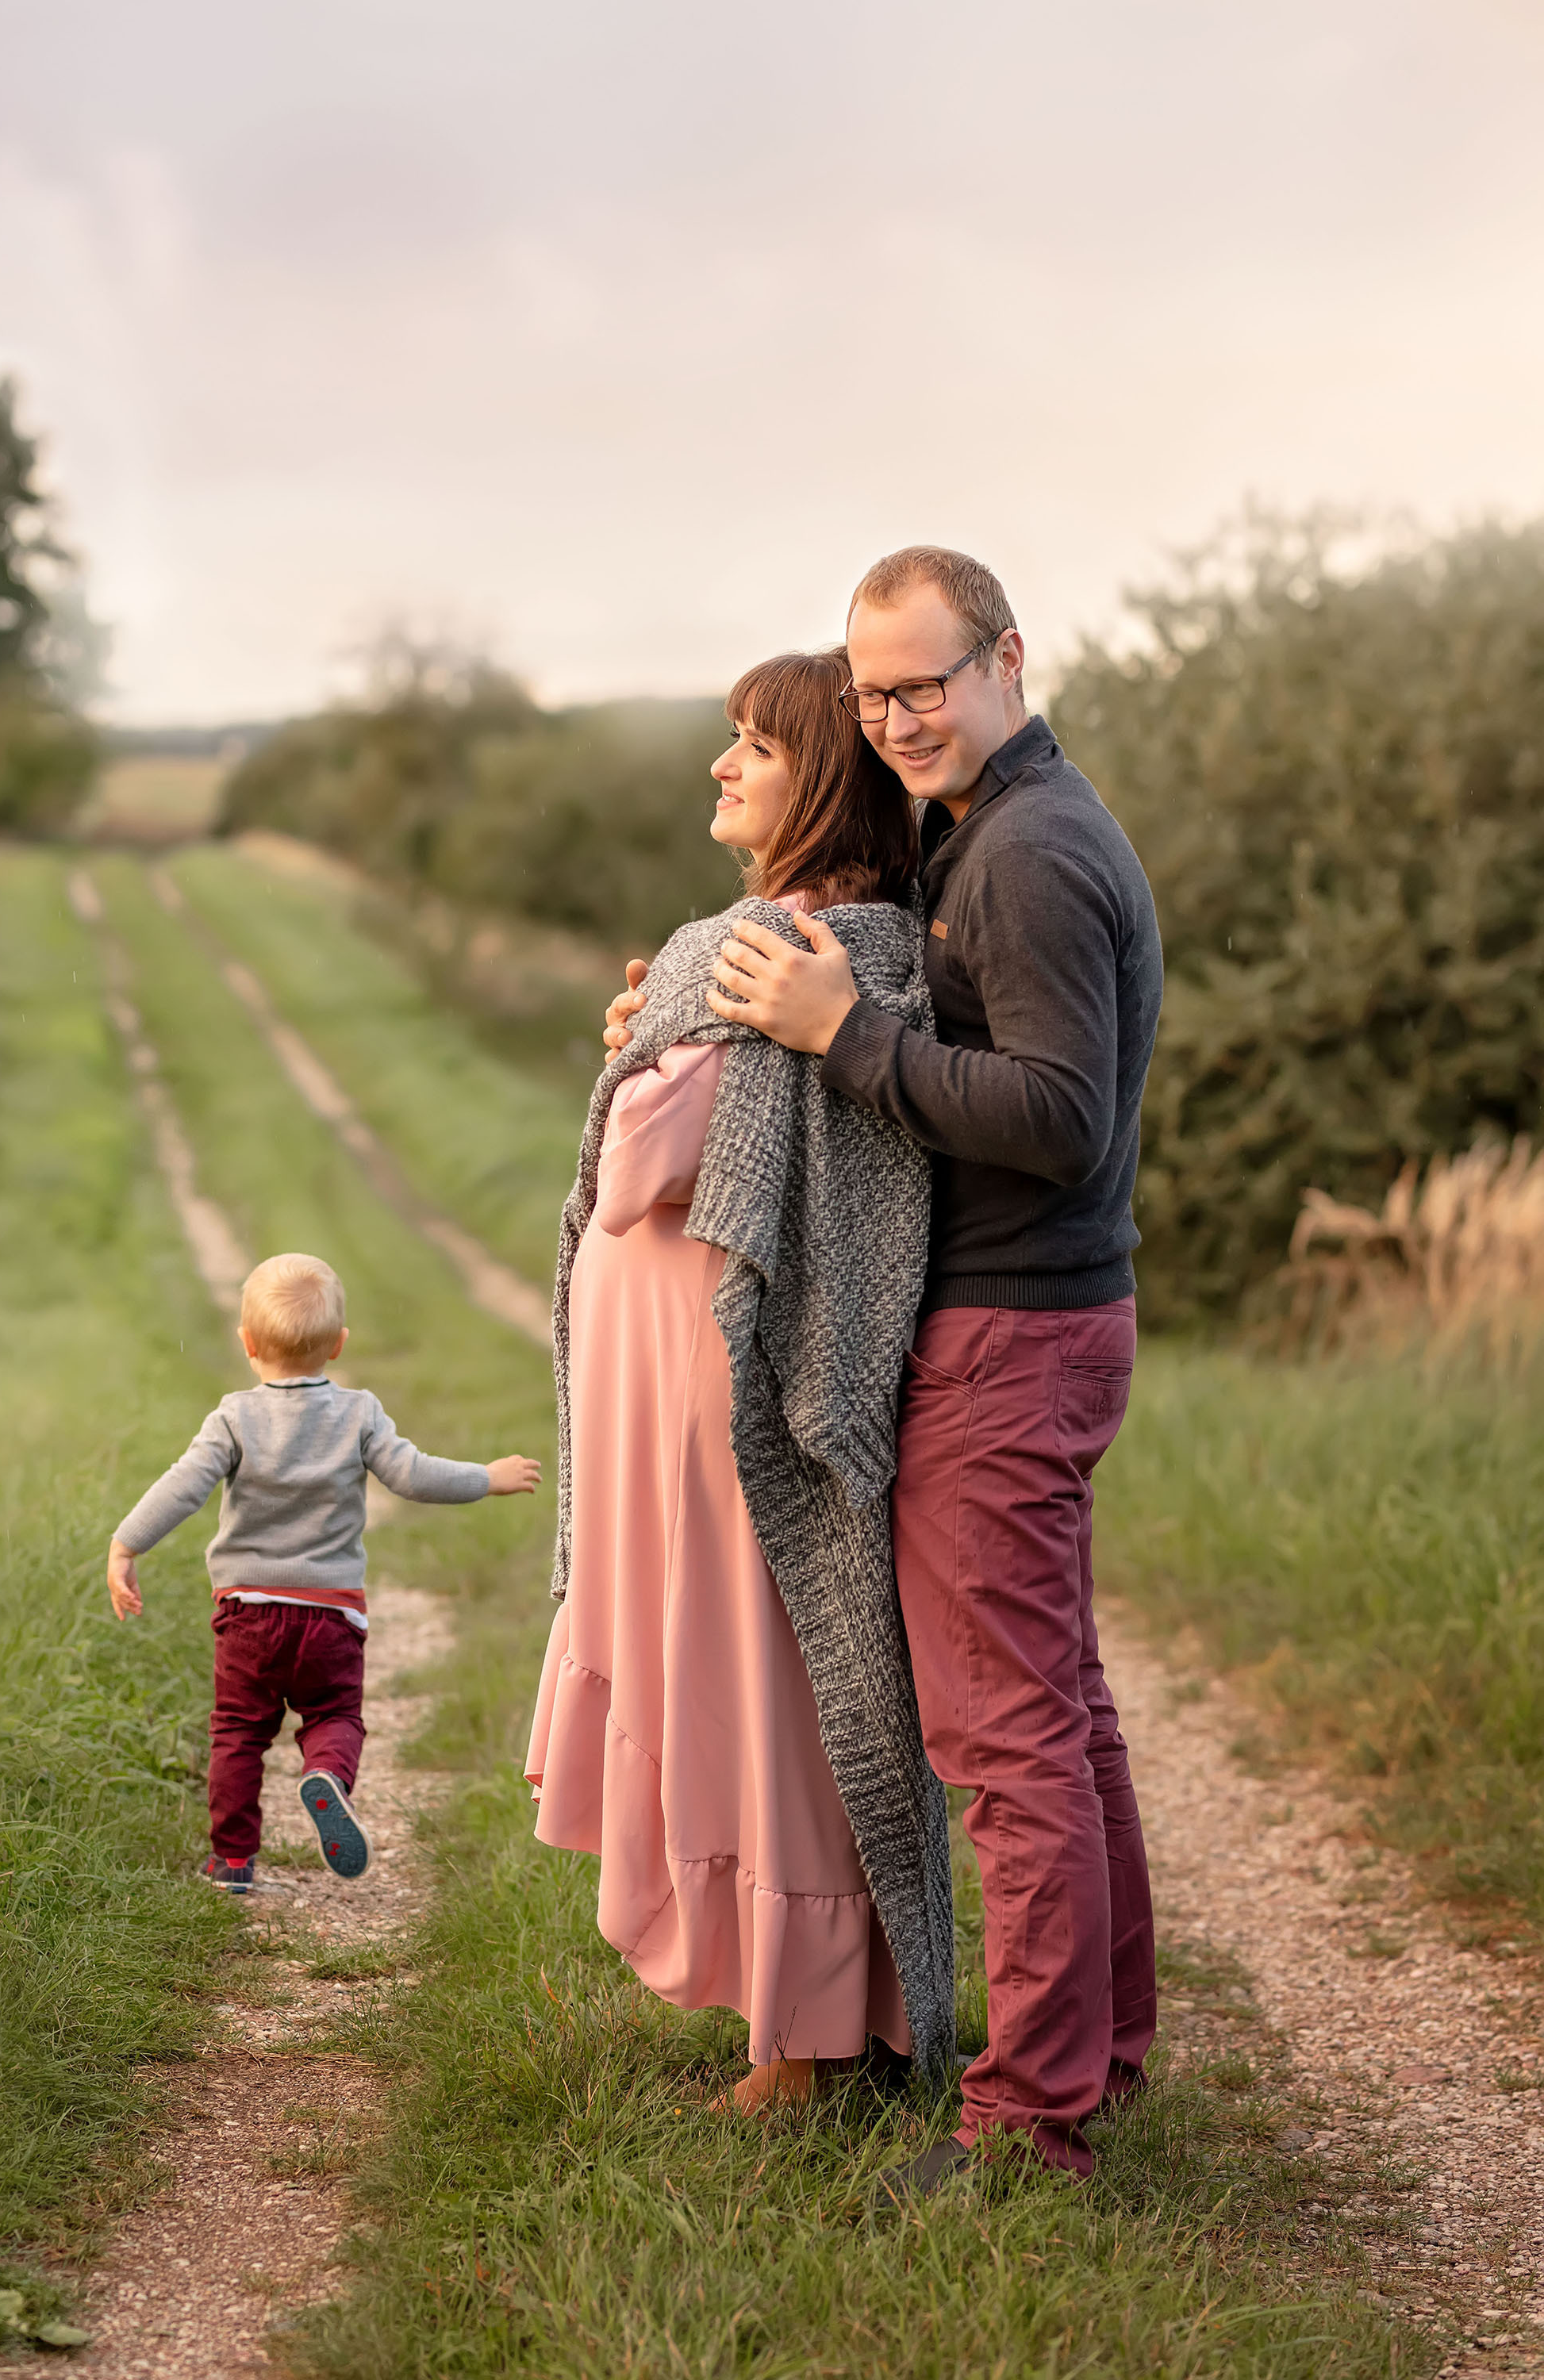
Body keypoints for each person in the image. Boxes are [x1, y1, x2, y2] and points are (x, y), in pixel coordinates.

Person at [605, 549, 1162, 2186]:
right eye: (874, 696)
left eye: (929, 682)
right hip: (1031, 1322)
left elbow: (1059, 1122)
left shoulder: (1031, 856)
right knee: (1060, 1719)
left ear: (1005, 659)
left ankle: (1027, 2120)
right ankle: (1099, 2060)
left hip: (1010, 1329)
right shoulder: (970, 832)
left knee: (1005, 1742)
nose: (904, 717)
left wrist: (838, 1039)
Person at [527, 648, 957, 2117]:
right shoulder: (826, 938)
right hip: (692, 1365)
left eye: (751, 747)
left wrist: (649, 1050)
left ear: (818, 775)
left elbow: (650, 1157)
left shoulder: (778, 941)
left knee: (753, 1680)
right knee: (740, 1673)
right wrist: (657, 1035)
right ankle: (808, 2010)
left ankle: (809, 2034)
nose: (721, 768)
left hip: (728, 1382)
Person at [107, 1251, 540, 1892]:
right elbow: (413, 1476)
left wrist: (126, 1544)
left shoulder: (233, 1416)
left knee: (237, 1735)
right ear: (338, 1345)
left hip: (246, 1614)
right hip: (331, 1614)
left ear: (248, 1344)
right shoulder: (359, 1413)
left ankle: (231, 1861)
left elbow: (184, 1487)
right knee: (336, 1714)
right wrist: (487, 1478)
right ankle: (328, 1777)